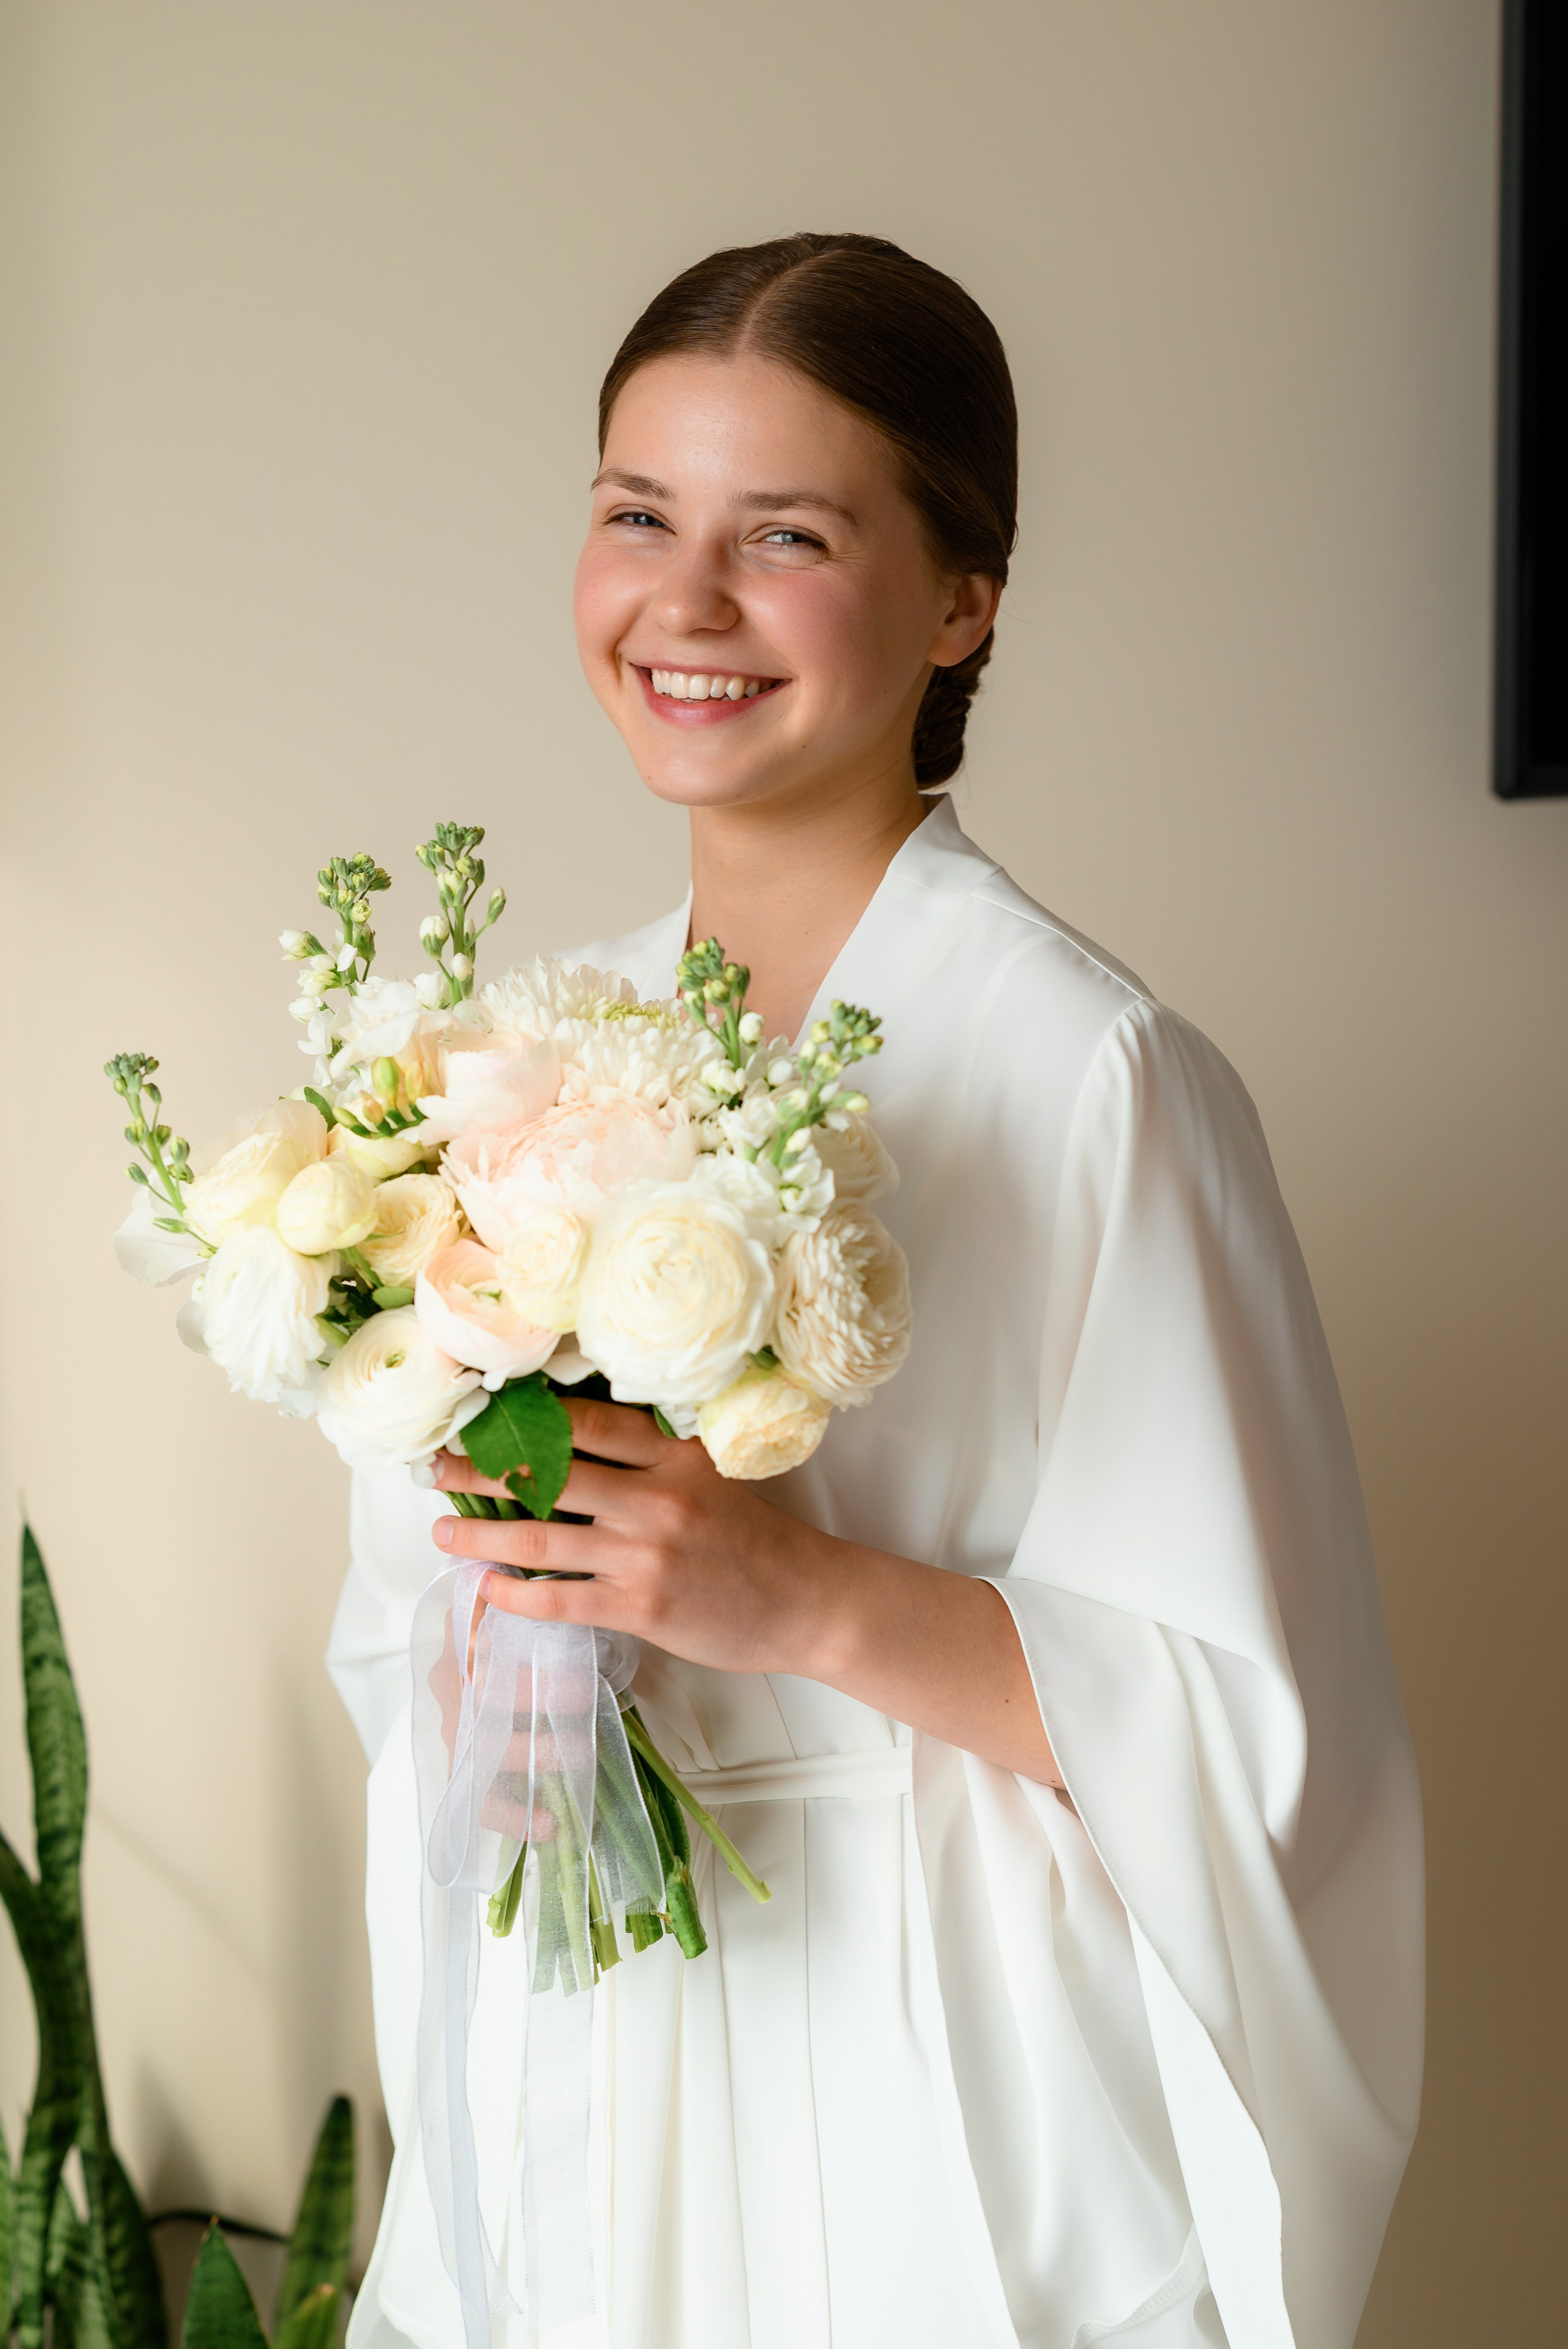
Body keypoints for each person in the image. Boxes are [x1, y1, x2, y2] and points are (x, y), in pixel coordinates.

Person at [328, 233, 1423, 2349]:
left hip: (934, 2083)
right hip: (596, 2044)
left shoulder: (1098, 1079)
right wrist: (503, 1632)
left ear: (961, 599)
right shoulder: (510, 1079)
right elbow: (408, 1634)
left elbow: (1260, 1734)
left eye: (789, 535)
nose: (687, 602)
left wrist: (784, 1595)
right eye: (639, 513)